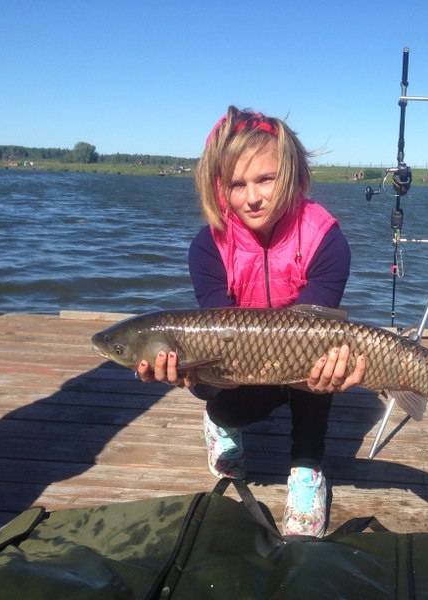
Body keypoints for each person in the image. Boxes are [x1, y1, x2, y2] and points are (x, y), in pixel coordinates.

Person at [136, 106, 366, 537]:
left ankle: (306, 469)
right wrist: (183, 369)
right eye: (237, 184)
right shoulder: (207, 246)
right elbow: (213, 328)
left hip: (302, 350)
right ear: (219, 187)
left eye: (266, 179)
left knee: (320, 367)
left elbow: (315, 330)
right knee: (218, 397)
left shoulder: (326, 239)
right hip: (232, 357)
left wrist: (326, 367)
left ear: (294, 175)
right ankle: (220, 421)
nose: (253, 197)